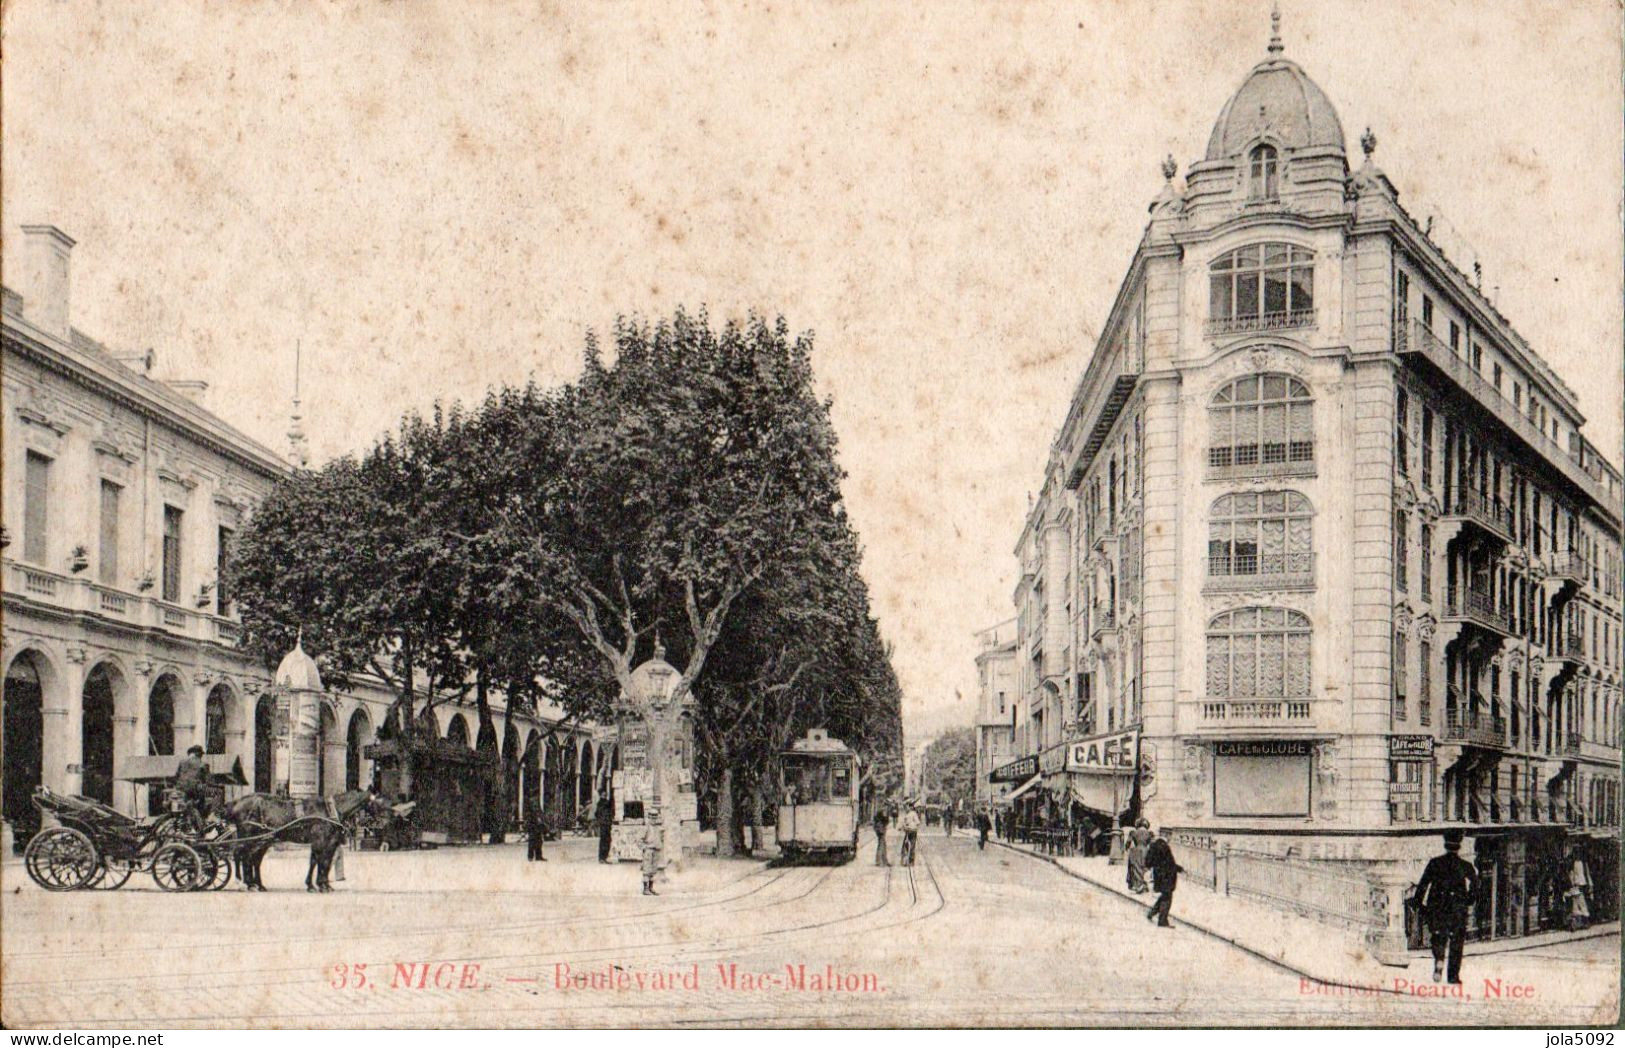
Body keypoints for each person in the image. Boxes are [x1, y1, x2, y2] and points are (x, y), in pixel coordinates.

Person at [1416, 829, 1477, 983]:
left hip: (1437, 908)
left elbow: (1423, 884)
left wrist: (1418, 903)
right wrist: (1469, 899)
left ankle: (1439, 960)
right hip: (1457, 908)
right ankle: (1453, 976)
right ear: (1459, 846)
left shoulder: (1435, 863)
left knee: (1438, 937)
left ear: (1445, 845)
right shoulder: (1465, 866)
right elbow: (1477, 885)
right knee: (1457, 942)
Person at [1144, 827, 1183, 928]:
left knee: (1164, 896)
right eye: (1170, 835)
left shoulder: (1153, 845)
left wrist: (1156, 867)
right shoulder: (1165, 847)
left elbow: (1148, 862)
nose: (1170, 837)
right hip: (1167, 877)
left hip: (1158, 876)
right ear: (1166, 835)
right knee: (1167, 899)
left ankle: (1152, 913)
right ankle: (1162, 921)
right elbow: (1170, 864)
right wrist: (1180, 869)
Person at [174, 745, 211, 831]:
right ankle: (203, 825)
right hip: (195, 795)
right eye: (201, 755)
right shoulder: (203, 765)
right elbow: (208, 782)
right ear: (198, 754)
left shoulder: (181, 762)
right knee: (209, 801)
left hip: (181, 794)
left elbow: (176, 777)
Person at [1126, 818, 1154, 893]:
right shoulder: (1150, 833)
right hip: (1146, 851)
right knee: (1145, 867)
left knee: (1136, 867)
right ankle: (1144, 886)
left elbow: (1128, 842)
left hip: (1136, 851)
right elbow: (1152, 844)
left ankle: (1137, 886)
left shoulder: (1133, 832)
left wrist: (1126, 848)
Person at [640, 812, 664, 896]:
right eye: (652, 817)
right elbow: (640, 839)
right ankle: (645, 888)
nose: (653, 819)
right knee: (647, 869)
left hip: (656, 850)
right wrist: (644, 848)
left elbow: (661, 838)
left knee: (653, 870)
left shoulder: (658, 828)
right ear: (649, 817)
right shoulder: (646, 827)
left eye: (655, 817)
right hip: (649, 850)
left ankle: (651, 887)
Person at [594, 796, 614, 864]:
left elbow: (596, 814)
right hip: (605, 824)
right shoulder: (605, 805)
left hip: (604, 824)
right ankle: (603, 857)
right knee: (605, 841)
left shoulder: (599, 804)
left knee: (604, 840)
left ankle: (602, 857)